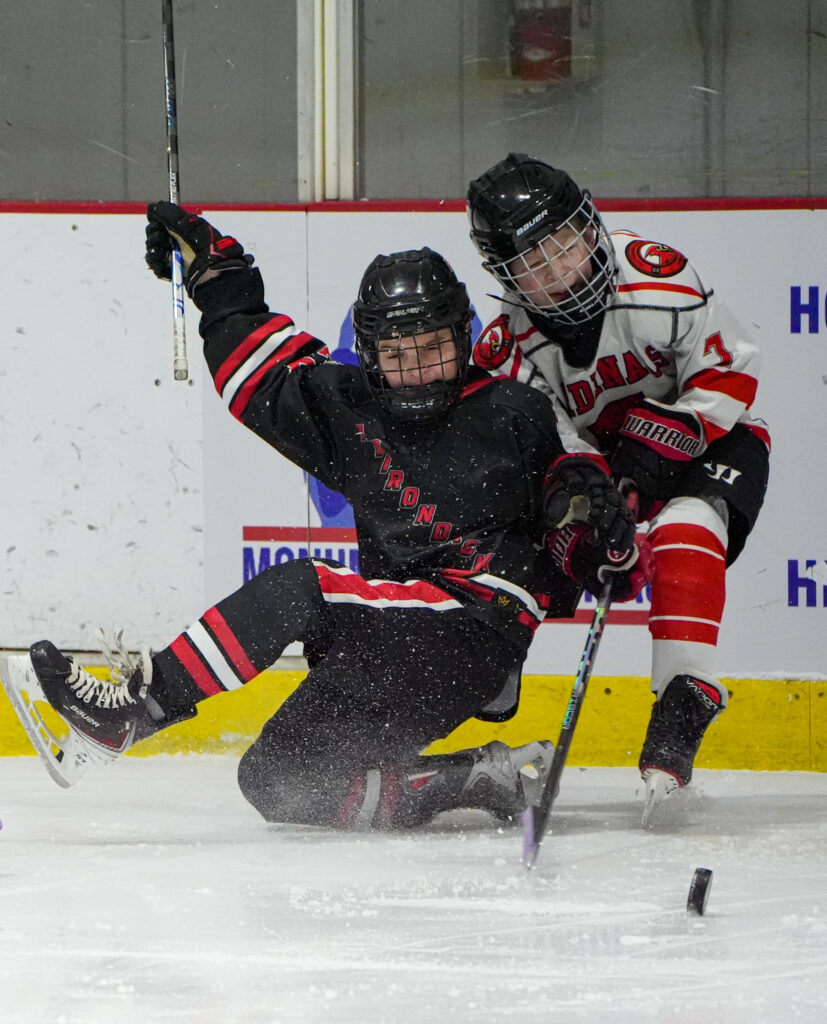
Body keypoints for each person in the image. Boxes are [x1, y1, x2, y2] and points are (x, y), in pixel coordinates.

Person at [22, 202, 650, 831]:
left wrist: (602, 539)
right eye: (398, 354)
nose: (418, 371)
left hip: (475, 634)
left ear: (464, 338)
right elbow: (257, 366)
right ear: (369, 355)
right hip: (394, 644)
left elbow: (585, 549)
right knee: (278, 780)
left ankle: (138, 706)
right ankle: (475, 776)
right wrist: (217, 275)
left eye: (433, 349)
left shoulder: (515, 410)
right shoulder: (351, 408)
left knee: (300, 588)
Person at [465, 153, 771, 817]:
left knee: (688, 523)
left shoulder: (659, 280)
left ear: (589, 225)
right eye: (534, 265)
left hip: (706, 447)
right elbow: (552, 444)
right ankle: (492, 656)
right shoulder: (505, 353)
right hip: (599, 470)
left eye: (566, 247)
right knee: (533, 529)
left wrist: (669, 434)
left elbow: (731, 370)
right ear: (504, 275)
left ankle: (686, 696)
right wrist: (590, 495)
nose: (560, 272)